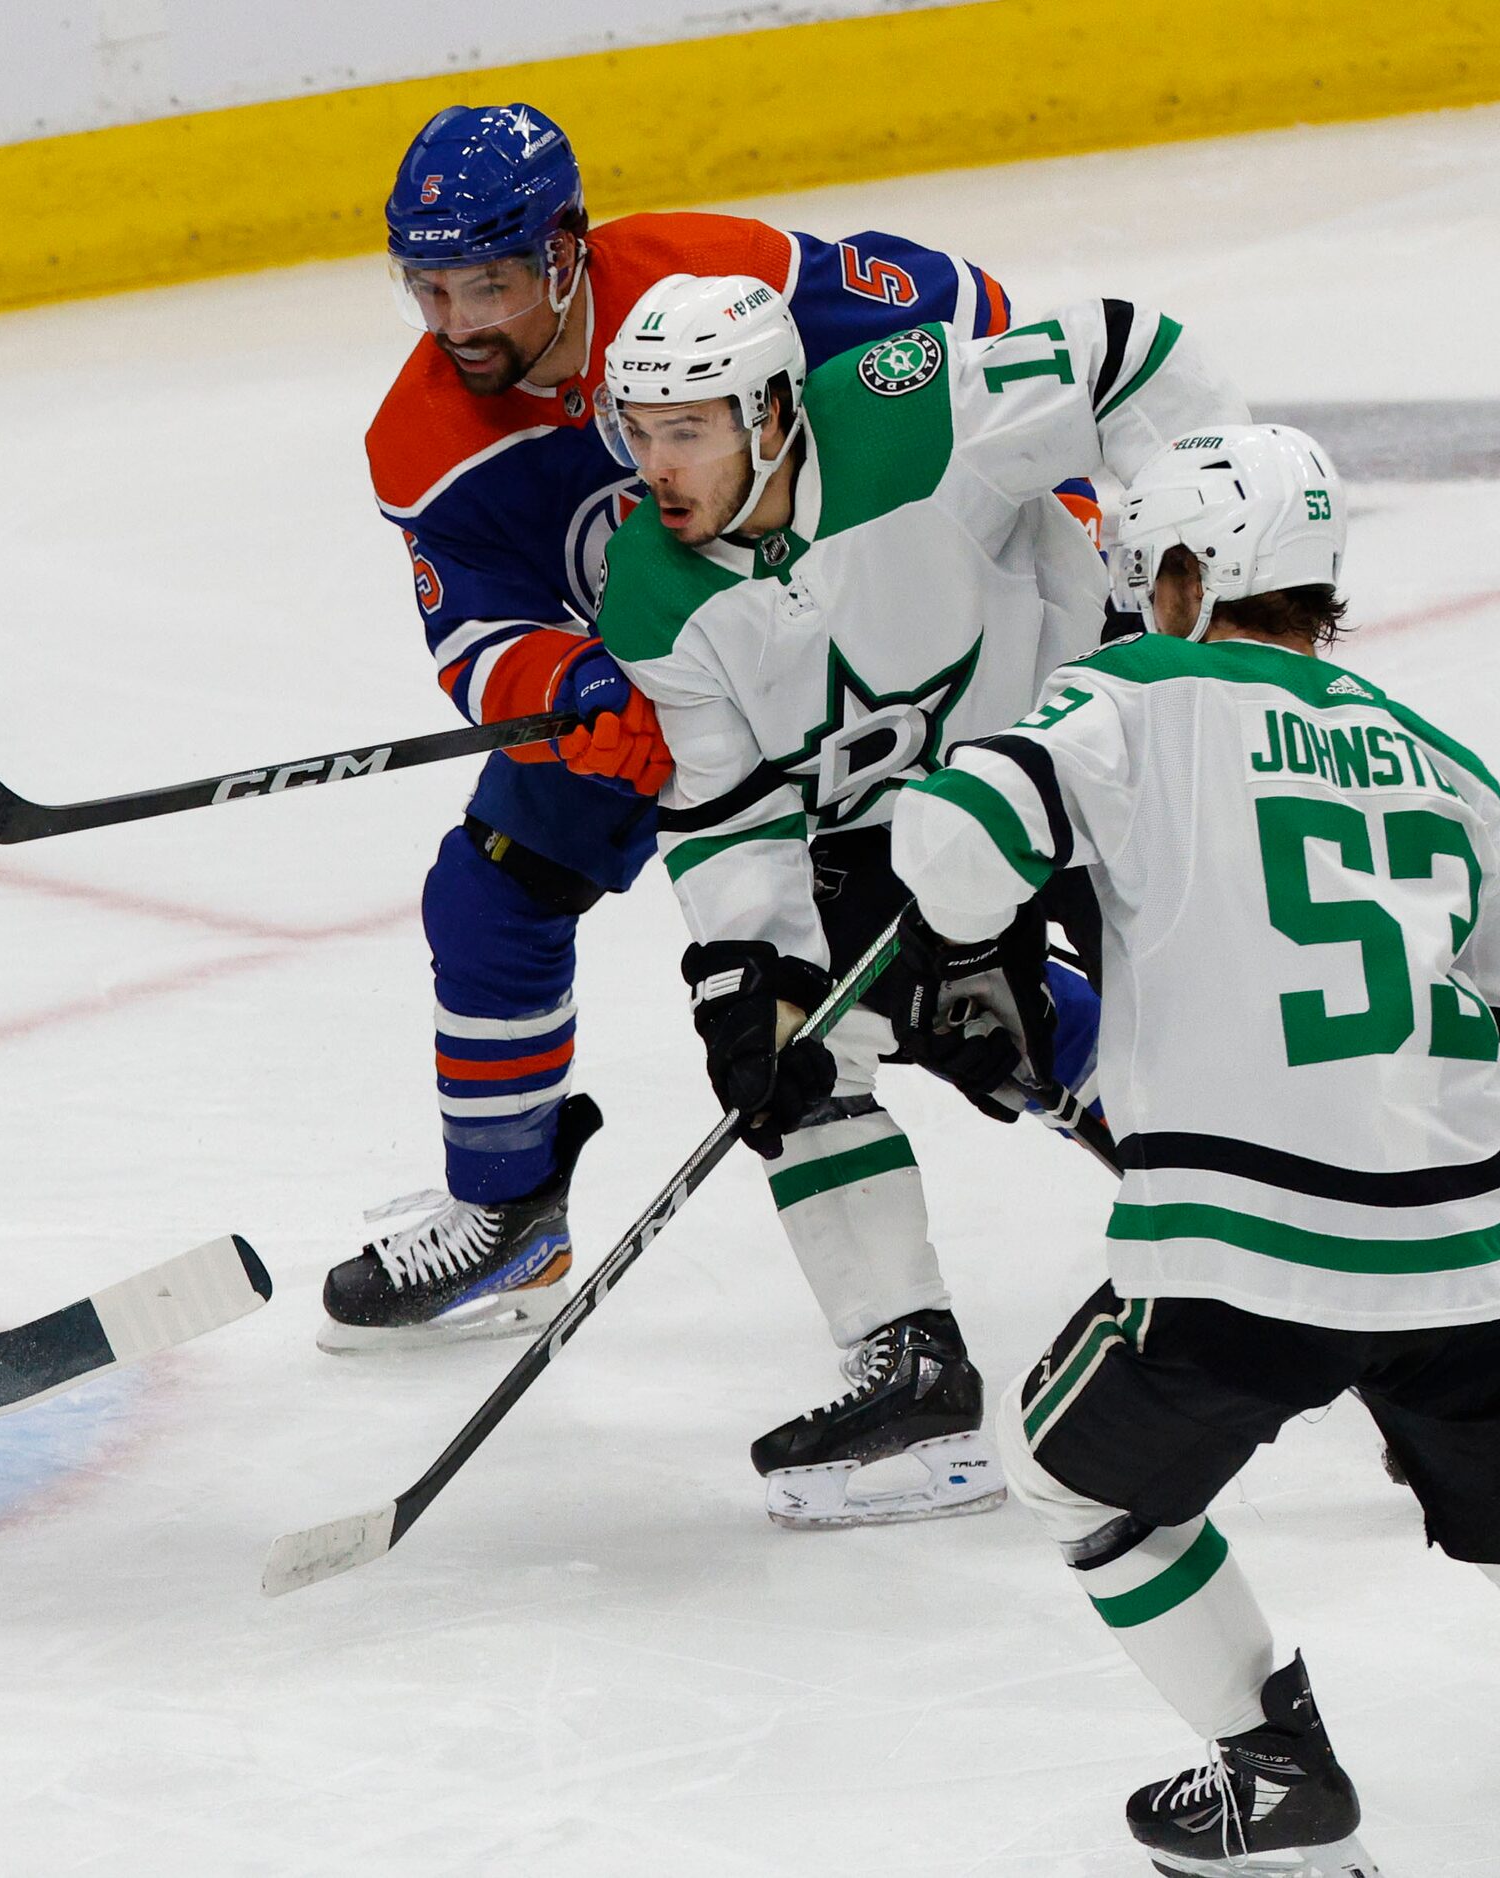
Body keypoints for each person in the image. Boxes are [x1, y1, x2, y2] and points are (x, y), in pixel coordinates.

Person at [887, 425, 1500, 1876]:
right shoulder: (1450, 761)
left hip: (1253, 1249)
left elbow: (953, 851)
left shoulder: (1139, 688)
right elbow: (1498, 986)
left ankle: (1277, 1780)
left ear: (1189, 575)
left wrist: (960, 937)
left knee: (1069, 1473)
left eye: (1145, 569)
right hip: (1482, 1235)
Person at [322, 100, 1060, 1351]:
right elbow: (477, 631)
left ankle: (1194, 1149)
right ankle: (509, 1213)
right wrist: (561, 691)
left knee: (926, 976)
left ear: (563, 252)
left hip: (851, 655)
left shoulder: (717, 280)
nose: (455, 326)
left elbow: (972, 325)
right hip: (665, 704)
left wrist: (1051, 506)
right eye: (428, 291)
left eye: (486, 285)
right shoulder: (425, 445)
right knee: (491, 888)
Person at [597, 272, 1243, 1526]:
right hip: (905, 836)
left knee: (1207, 1018)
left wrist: (1185, 571)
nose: (657, 465)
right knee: (807, 1053)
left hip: (1094, 751)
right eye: (639, 430)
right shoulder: (648, 590)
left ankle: (1351, 1278)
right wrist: (752, 979)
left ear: (774, 412)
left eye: (689, 429)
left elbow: (1129, 349)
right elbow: (731, 816)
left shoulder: (916, 407)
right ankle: (915, 1369)